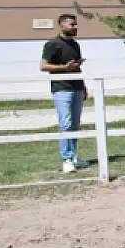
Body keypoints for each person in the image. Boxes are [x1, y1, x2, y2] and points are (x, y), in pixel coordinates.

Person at [40, 13, 91, 173]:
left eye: (76, 24)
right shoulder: (52, 44)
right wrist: (64, 68)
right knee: (66, 124)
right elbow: (43, 66)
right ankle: (66, 159)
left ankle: (74, 156)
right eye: (72, 25)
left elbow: (77, 67)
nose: (75, 27)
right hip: (61, 88)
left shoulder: (75, 45)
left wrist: (83, 86)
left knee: (75, 125)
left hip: (76, 87)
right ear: (61, 25)